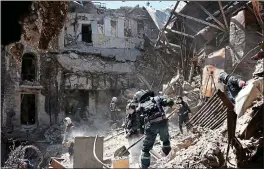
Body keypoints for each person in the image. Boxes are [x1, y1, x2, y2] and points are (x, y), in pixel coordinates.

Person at [133, 90, 174, 169]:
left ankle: (144, 167)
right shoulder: (157, 99)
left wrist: (142, 132)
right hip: (163, 124)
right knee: (165, 141)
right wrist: (172, 102)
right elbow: (169, 102)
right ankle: (170, 159)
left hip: (150, 127)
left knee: (146, 149)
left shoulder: (140, 107)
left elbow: (140, 123)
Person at [123, 99, 144, 167]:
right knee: (132, 149)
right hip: (130, 135)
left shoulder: (136, 116)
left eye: (130, 109)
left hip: (136, 135)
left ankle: (137, 163)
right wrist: (124, 125)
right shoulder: (129, 115)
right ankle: (134, 162)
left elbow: (136, 126)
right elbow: (126, 122)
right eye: (128, 109)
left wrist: (129, 132)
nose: (128, 111)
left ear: (133, 109)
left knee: (135, 149)